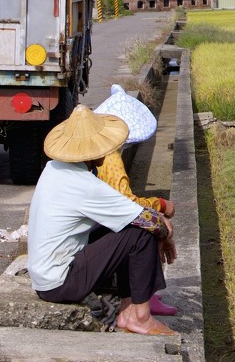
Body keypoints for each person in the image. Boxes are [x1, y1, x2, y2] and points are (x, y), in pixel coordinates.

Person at [27, 105, 177, 336]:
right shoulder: (83, 185)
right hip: (60, 283)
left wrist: (157, 225)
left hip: (45, 276)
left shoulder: (55, 168)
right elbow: (148, 221)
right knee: (140, 233)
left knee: (129, 225)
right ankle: (139, 316)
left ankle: (129, 309)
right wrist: (166, 235)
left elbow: (131, 214)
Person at [94, 84, 178, 317]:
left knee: (148, 221)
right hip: (93, 230)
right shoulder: (109, 157)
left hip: (93, 223)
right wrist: (160, 205)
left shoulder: (101, 151)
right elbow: (127, 202)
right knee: (146, 226)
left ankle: (144, 291)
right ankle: (144, 297)